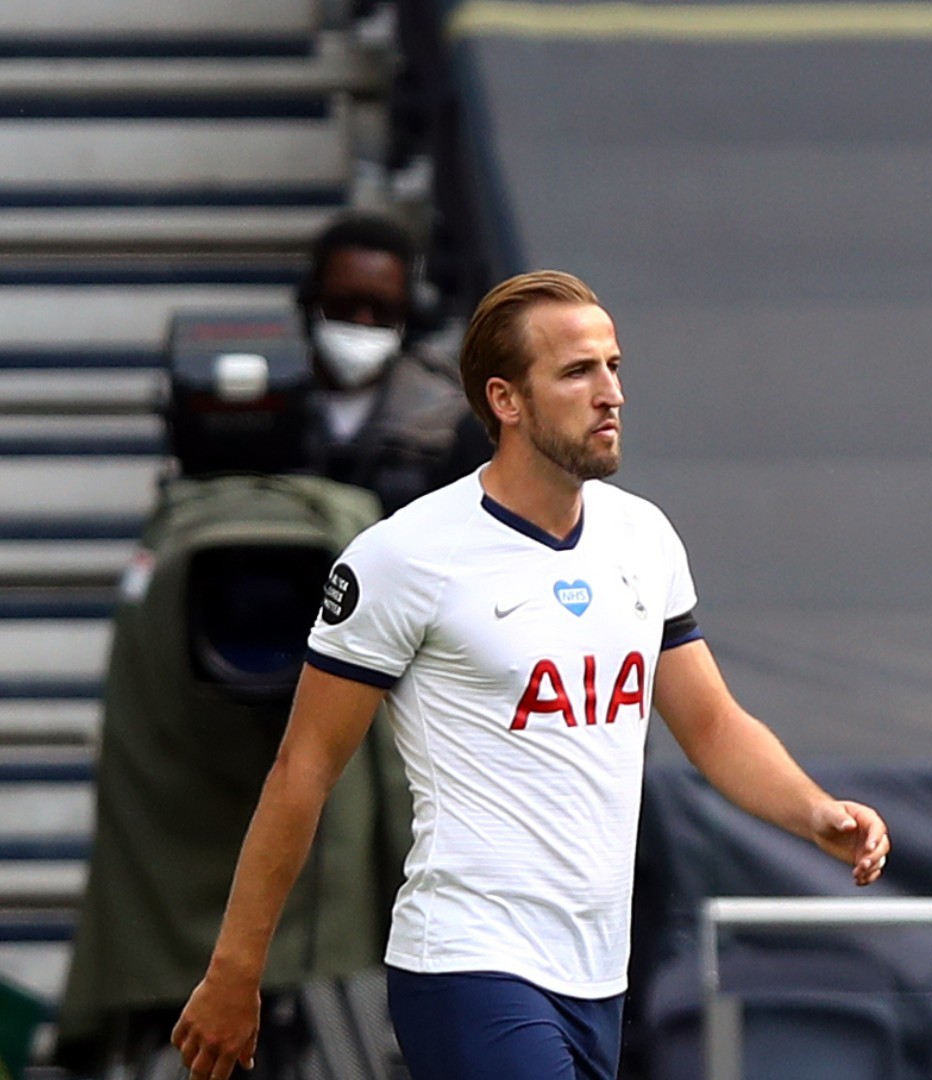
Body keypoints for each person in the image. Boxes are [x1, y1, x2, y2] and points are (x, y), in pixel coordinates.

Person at [169, 270, 892, 1080]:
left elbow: (713, 726)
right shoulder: (407, 555)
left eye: (614, 366)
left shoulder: (642, 538)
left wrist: (816, 814)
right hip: (467, 964)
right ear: (506, 401)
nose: (610, 393)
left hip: (596, 975)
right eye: (578, 372)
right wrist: (236, 970)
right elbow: (302, 769)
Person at [298, 211, 492, 514]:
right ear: (312, 302)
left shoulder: (449, 421)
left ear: (409, 314)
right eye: (344, 305)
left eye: (382, 309)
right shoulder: (275, 409)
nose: (363, 321)